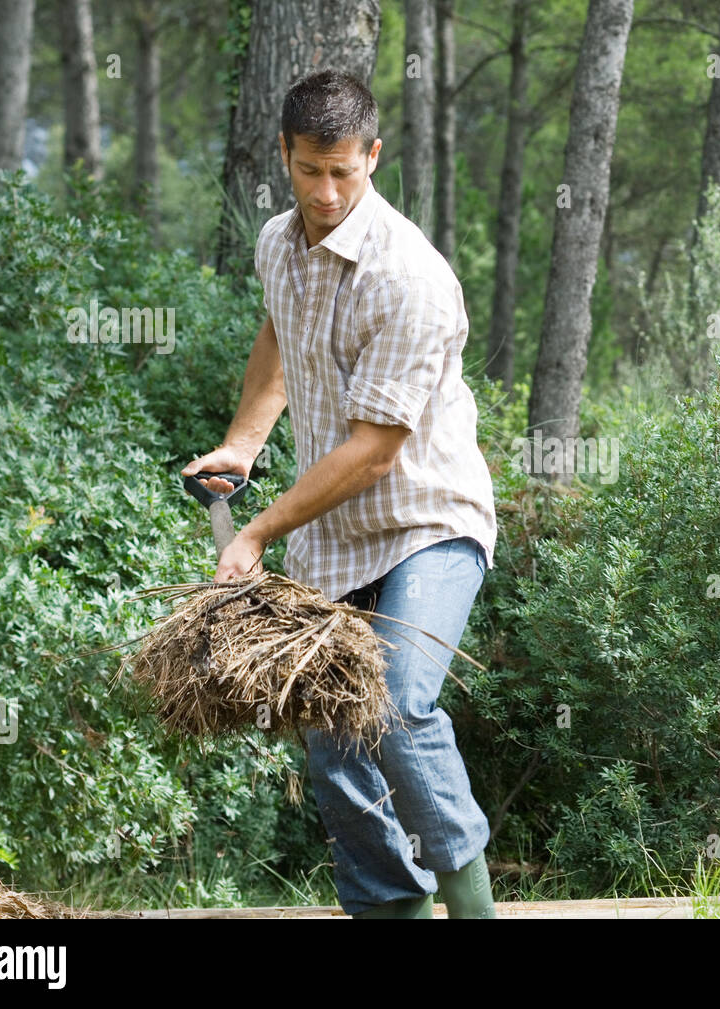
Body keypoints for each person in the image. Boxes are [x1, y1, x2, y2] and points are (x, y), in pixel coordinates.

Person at [182, 68, 498, 919]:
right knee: (331, 731)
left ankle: (473, 913)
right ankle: (395, 914)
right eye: (309, 171)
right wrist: (244, 442)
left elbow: (374, 452)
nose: (325, 193)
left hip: (427, 518)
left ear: (374, 157)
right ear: (284, 154)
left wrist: (254, 532)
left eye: (344, 173)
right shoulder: (278, 244)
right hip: (334, 533)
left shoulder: (410, 280)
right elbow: (280, 331)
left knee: (395, 700)